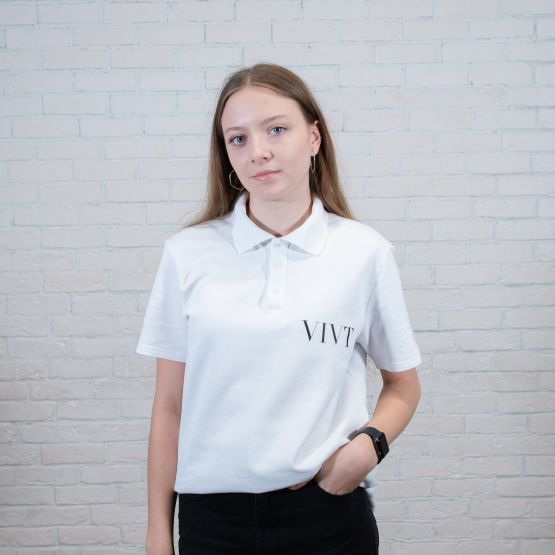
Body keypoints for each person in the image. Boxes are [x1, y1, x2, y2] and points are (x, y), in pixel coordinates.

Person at [136, 62, 422, 555]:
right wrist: (158, 532)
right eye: (238, 138)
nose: (258, 151)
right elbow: (169, 408)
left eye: (276, 129)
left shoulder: (364, 252)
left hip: (329, 516)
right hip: (212, 522)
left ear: (314, 138)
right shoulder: (187, 254)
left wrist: (366, 449)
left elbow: (404, 385)